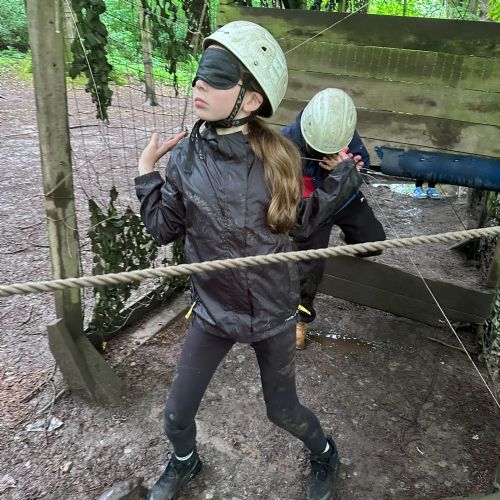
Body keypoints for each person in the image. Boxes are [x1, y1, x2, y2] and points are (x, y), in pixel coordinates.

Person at [135, 21, 345, 500]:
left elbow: (301, 224)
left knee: (283, 411)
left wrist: (341, 180)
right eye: (198, 77)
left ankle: (325, 453)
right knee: (176, 415)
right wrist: (147, 172)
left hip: (273, 312)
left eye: (214, 80)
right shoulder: (184, 160)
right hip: (213, 312)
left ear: (250, 99)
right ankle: (185, 462)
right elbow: (164, 228)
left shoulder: (279, 157)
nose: (198, 86)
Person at [282, 88, 386, 350]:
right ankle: (299, 319)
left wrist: (346, 170)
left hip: (344, 202)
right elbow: (298, 217)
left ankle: (349, 237)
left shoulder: (345, 133)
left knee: (374, 242)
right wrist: (336, 178)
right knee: (307, 263)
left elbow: (363, 169)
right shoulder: (286, 143)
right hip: (312, 211)